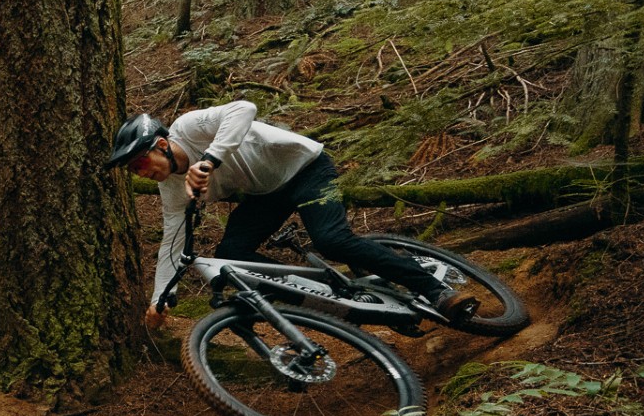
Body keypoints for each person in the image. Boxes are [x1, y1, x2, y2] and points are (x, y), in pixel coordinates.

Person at [105, 101, 474, 329]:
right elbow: (173, 240)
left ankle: (435, 290)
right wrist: (159, 298)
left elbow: (244, 109)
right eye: (133, 171)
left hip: (306, 169)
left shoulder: (188, 127)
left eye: (140, 162)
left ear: (163, 144)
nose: (141, 173)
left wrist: (210, 159)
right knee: (233, 259)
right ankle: (330, 294)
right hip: (267, 196)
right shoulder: (170, 187)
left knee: (331, 240)